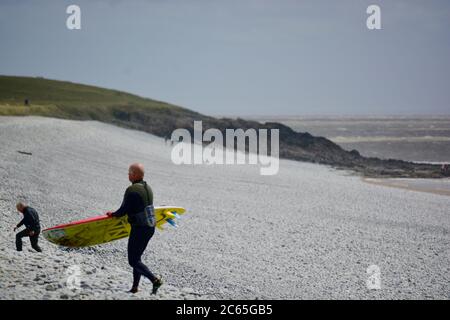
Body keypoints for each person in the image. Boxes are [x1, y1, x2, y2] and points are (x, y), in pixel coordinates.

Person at [107, 163, 163, 294]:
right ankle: (135, 287)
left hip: (140, 229)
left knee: (133, 260)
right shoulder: (148, 187)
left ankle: (155, 280)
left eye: (129, 173)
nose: (128, 175)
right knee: (137, 258)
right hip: (150, 228)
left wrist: (113, 214)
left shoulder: (132, 190)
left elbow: (123, 210)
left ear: (135, 175)